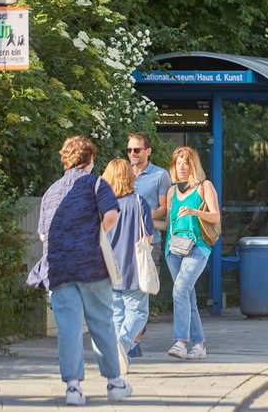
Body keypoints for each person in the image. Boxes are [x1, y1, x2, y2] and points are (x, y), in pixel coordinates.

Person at [36, 136, 132, 405]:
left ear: (65, 159)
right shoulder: (96, 183)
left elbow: (44, 235)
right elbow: (112, 214)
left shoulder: (51, 192)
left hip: (58, 267)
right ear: (90, 159)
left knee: (68, 326)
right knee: (101, 321)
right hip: (90, 265)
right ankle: (114, 383)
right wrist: (97, 235)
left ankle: (73, 388)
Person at [164, 146, 220, 360]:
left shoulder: (204, 187)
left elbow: (215, 217)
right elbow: (169, 223)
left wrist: (196, 212)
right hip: (174, 248)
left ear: (193, 165)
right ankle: (199, 344)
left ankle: (180, 342)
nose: (182, 167)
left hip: (197, 247)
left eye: (186, 163)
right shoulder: (171, 192)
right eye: (178, 163)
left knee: (179, 290)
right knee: (187, 295)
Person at [102, 159, 155, 374]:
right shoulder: (138, 202)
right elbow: (148, 235)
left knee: (116, 314)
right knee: (139, 313)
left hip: (107, 267)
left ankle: (116, 360)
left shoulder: (101, 204)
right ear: (129, 177)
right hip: (133, 267)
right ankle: (122, 345)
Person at [125, 132, 172, 358]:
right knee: (123, 291)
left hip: (149, 242)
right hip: (123, 242)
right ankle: (126, 339)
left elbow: (164, 209)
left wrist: (138, 213)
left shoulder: (160, 175)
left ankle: (134, 341)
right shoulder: (123, 174)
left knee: (143, 289)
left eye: (137, 150)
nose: (132, 154)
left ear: (147, 151)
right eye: (129, 150)